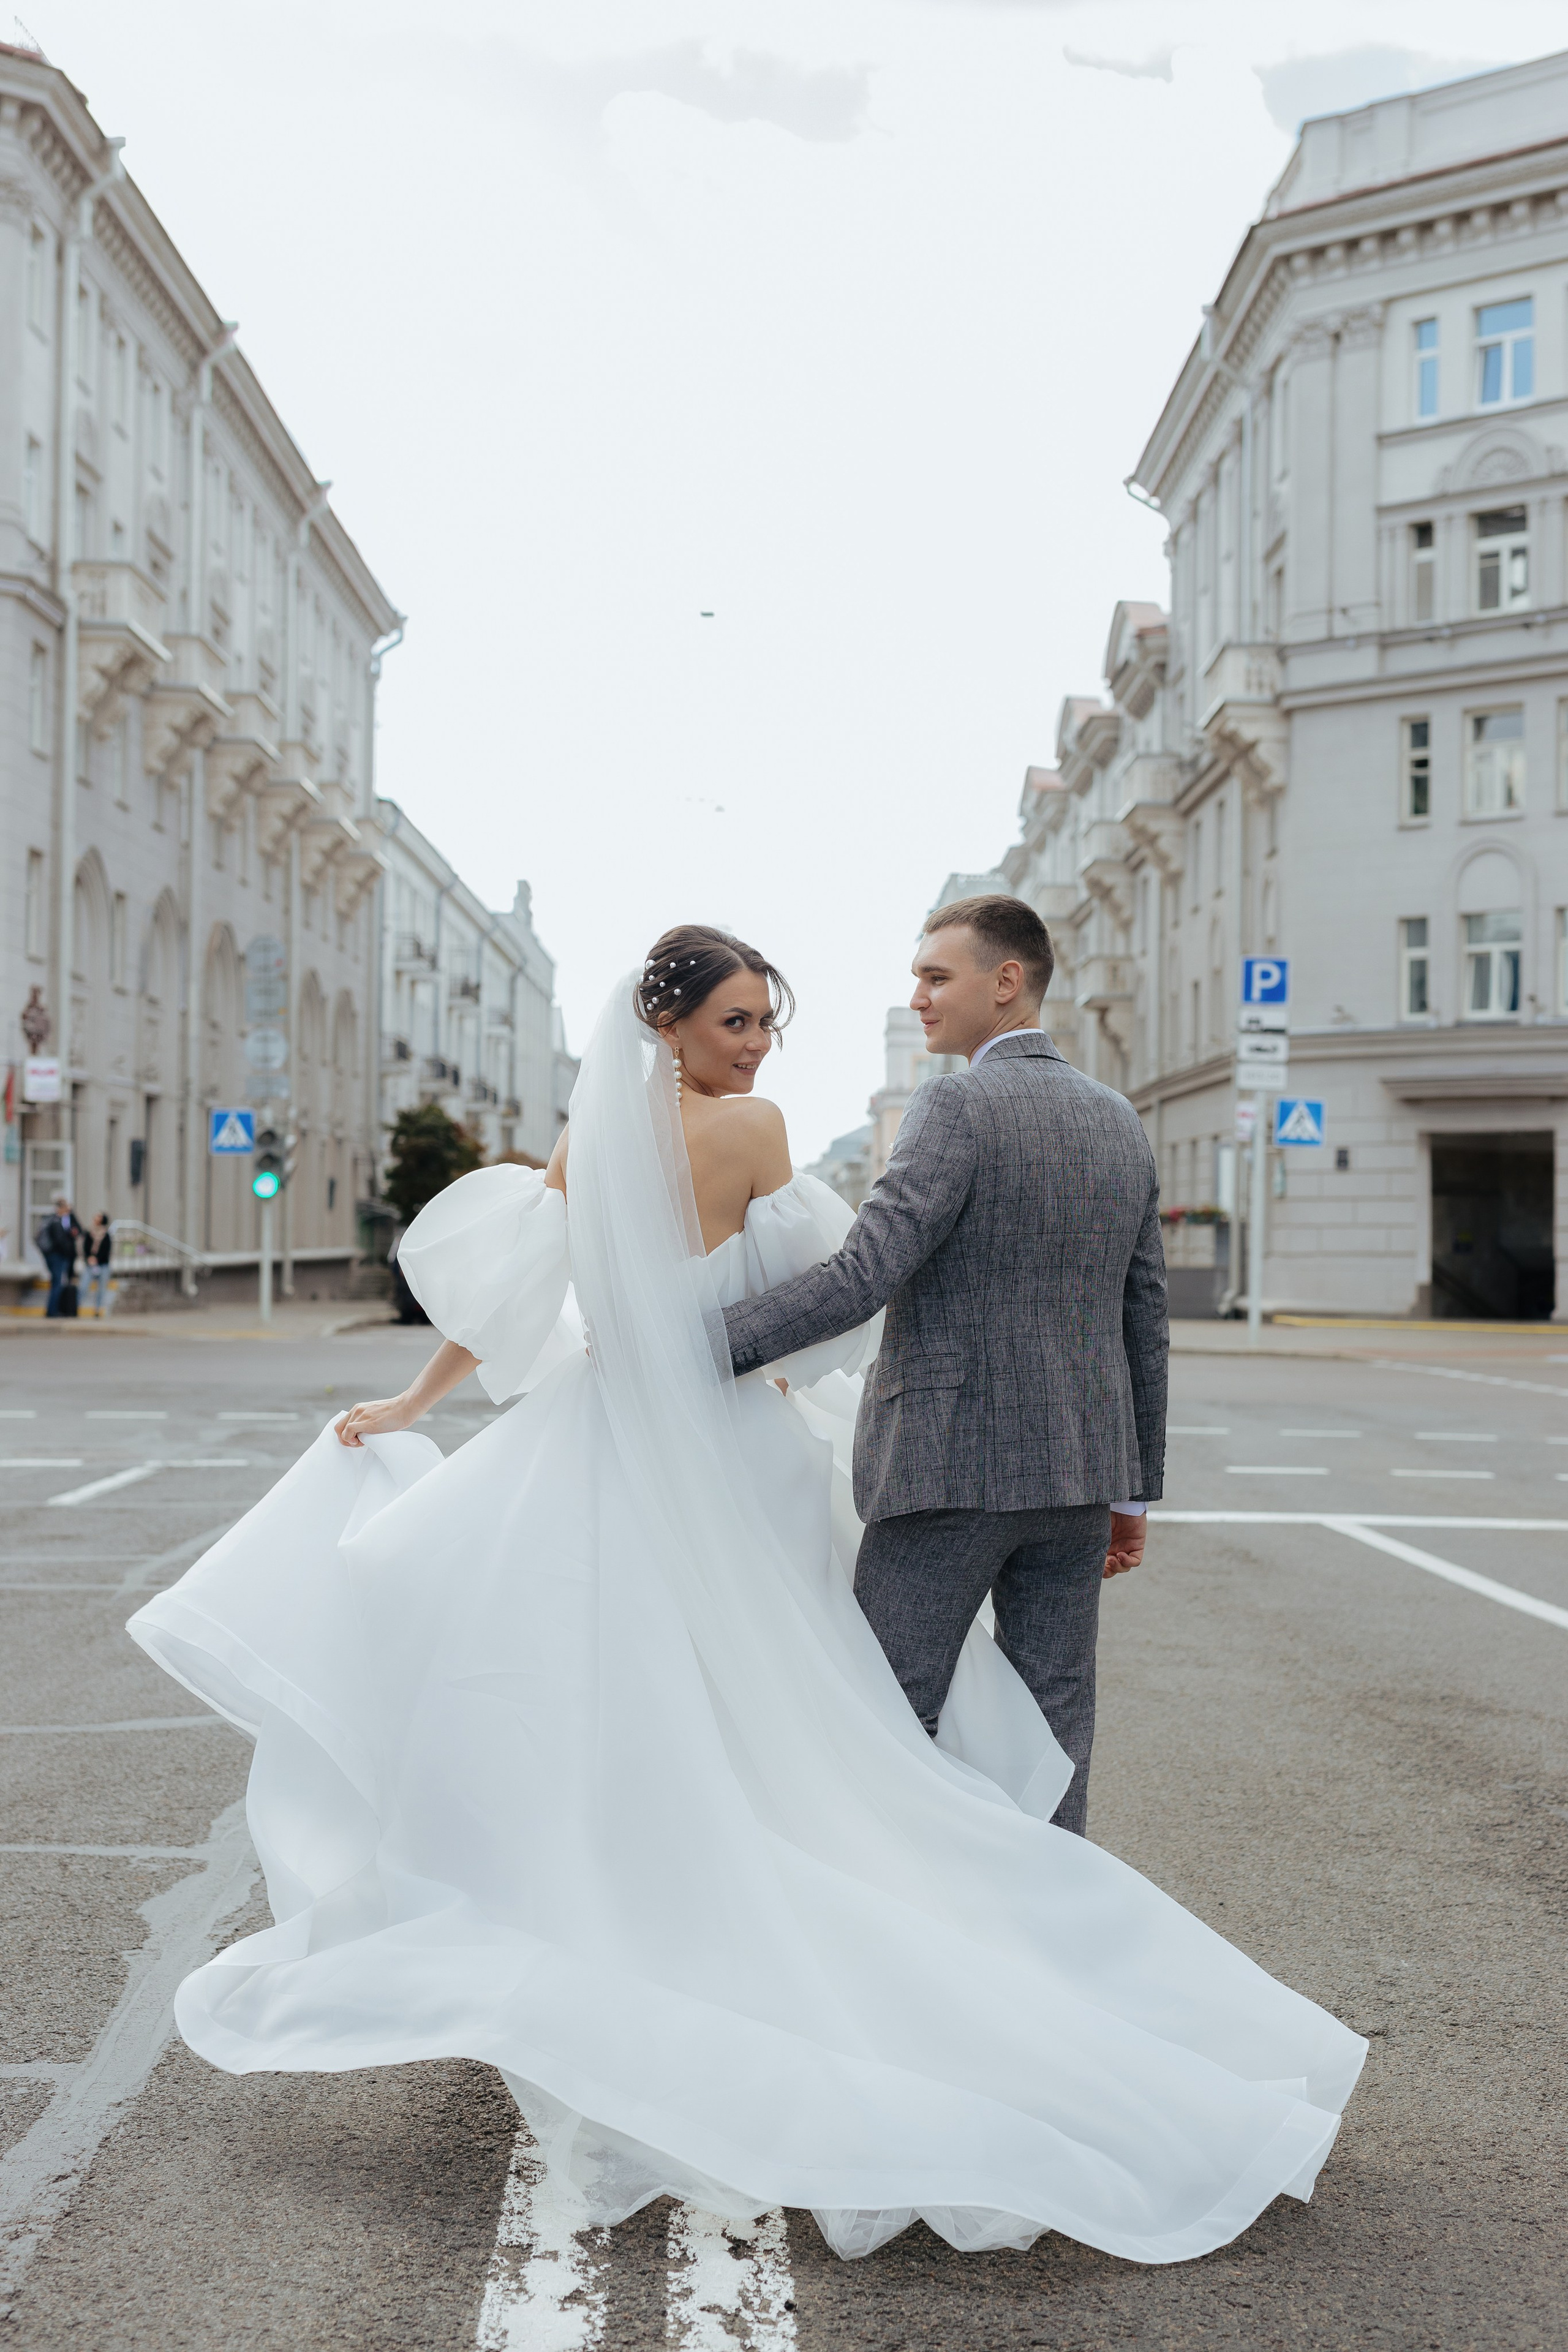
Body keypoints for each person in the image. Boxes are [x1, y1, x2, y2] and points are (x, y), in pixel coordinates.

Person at [127, 924, 1363, 2266]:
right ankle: (1020, 1961)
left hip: (610, 1430)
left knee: (629, 1698)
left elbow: (519, 1296)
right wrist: (1130, 1477)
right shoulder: (982, 1127)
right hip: (790, 1445)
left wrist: (484, 1388)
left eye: (765, 1022)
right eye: (737, 1023)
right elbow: (853, 1296)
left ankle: (676, 1930)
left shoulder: (588, 1144)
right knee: (858, 1721)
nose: (759, 1045)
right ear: (670, 1026)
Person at [724, 893, 1157, 1838]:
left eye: (935, 976)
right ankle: (1054, 1925)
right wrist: (1136, 1492)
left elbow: (866, 1272)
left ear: (1006, 984)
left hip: (949, 1469)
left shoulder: (957, 1103)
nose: (917, 997)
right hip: (1080, 1478)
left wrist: (701, 1342)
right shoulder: (1117, 1117)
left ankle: (903, 1933)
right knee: (1056, 1723)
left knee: (884, 1712)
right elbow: (1143, 1317)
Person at [36, 1195, 83, 1318]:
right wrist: (67, 1251)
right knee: (58, 1283)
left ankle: (57, 1309)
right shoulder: (56, 1221)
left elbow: (80, 1230)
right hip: (58, 1256)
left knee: (57, 1282)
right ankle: (52, 1311)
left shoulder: (67, 1219)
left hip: (58, 1256)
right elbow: (59, 1241)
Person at [83, 1213, 113, 1318]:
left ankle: (97, 1310)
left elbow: (106, 1251)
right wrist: (89, 1259)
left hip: (103, 1265)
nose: (96, 1218)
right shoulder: (89, 1232)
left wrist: (97, 1259)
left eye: (99, 1217)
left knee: (101, 1289)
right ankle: (77, 1307)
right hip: (90, 1265)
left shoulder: (106, 1235)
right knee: (83, 1286)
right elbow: (85, 1248)